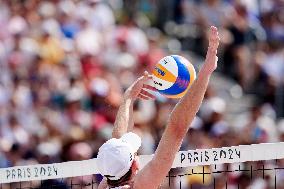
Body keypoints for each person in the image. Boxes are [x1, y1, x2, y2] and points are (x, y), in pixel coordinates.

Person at [97, 26, 220, 189]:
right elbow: (176, 128)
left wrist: (128, 97)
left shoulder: (106, 183)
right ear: (134, 165)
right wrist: (205, 72)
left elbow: (118, 141)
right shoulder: (142, 185)